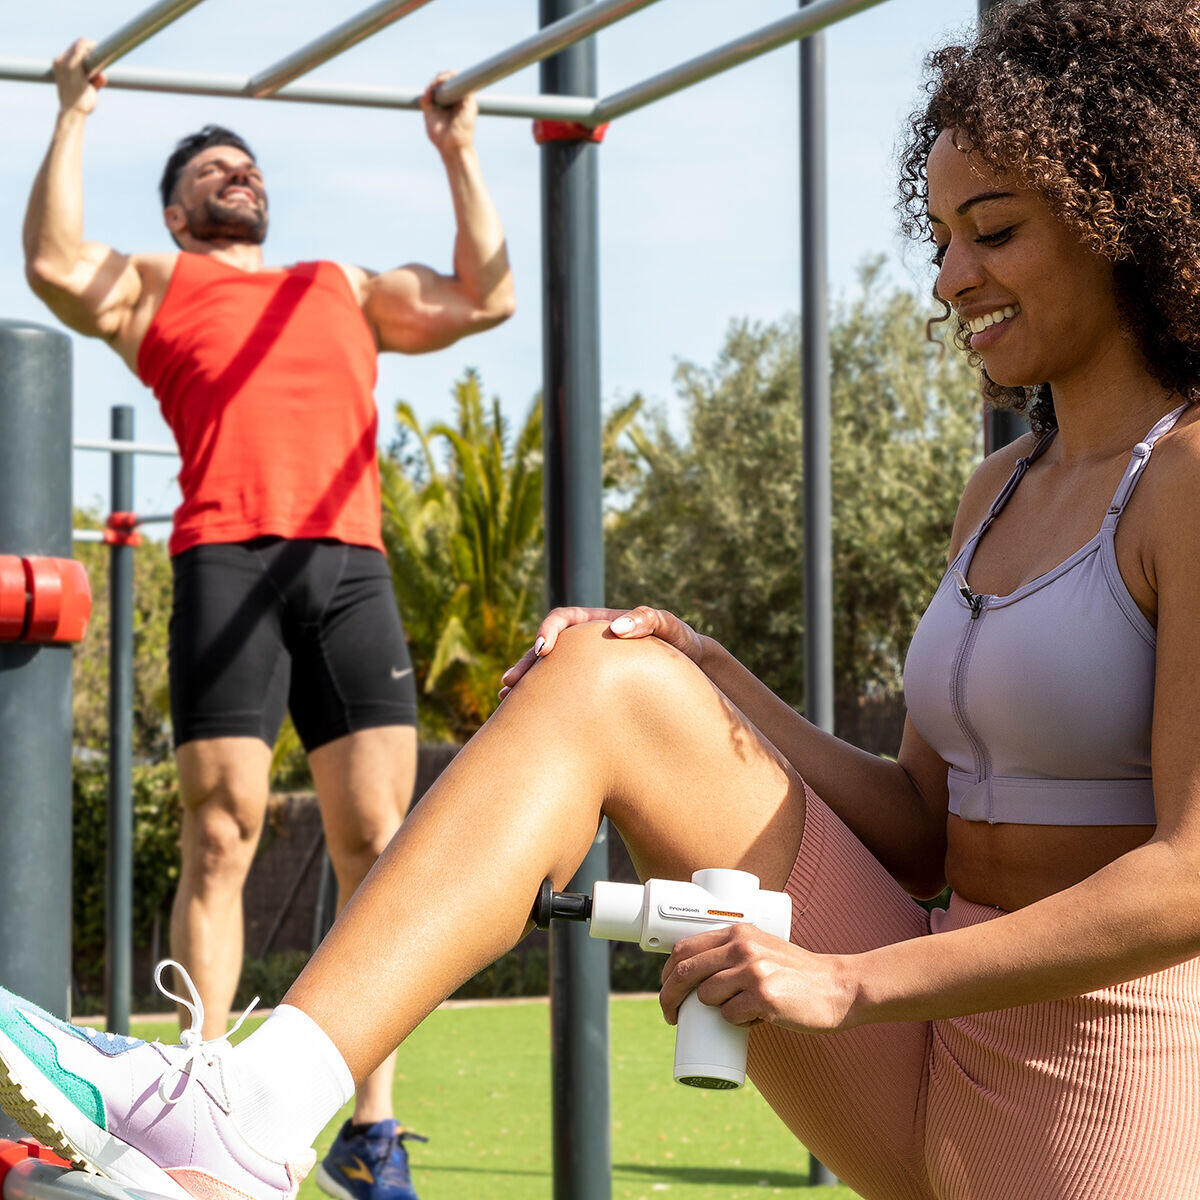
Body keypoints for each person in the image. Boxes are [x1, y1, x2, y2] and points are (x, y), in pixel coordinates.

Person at [4, 0, 1200, 1196]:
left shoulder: (1186, 475)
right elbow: (921, 830)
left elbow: (1192, 873)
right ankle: (246, 1111)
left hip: (1107, 1058)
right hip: (925, 1029)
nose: (949, 278)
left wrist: (845, 982)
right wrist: (711, 672)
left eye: (989, 231)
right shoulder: (999, 490)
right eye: (937, 237)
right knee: (613, 682)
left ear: (1127, 214)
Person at [20, 36, 515, 1200]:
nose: (235, 172)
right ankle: (196, 1102)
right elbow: (50, 259)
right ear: (181, 211)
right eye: (211, 168)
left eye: (246, 164)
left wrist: (461, 152)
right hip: (226, 557)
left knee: (378, 847)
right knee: (224, 831)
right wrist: (74, 113)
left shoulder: (338, 287)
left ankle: (371, 1129)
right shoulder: (153, 286)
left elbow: (487, 293)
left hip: (349, 565)